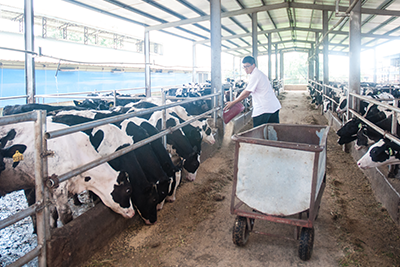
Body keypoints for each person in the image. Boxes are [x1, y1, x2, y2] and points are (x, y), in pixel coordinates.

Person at [224, 56, 281, 127]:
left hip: (263, 109)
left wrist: (233, 102)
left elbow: (247, 93)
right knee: (272, 131)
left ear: (253, 65)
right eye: (244, 67)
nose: (245, 69)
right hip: (273, 107)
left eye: (247, 66)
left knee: (258, 134)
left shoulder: (255, 75)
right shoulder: (259, 74)